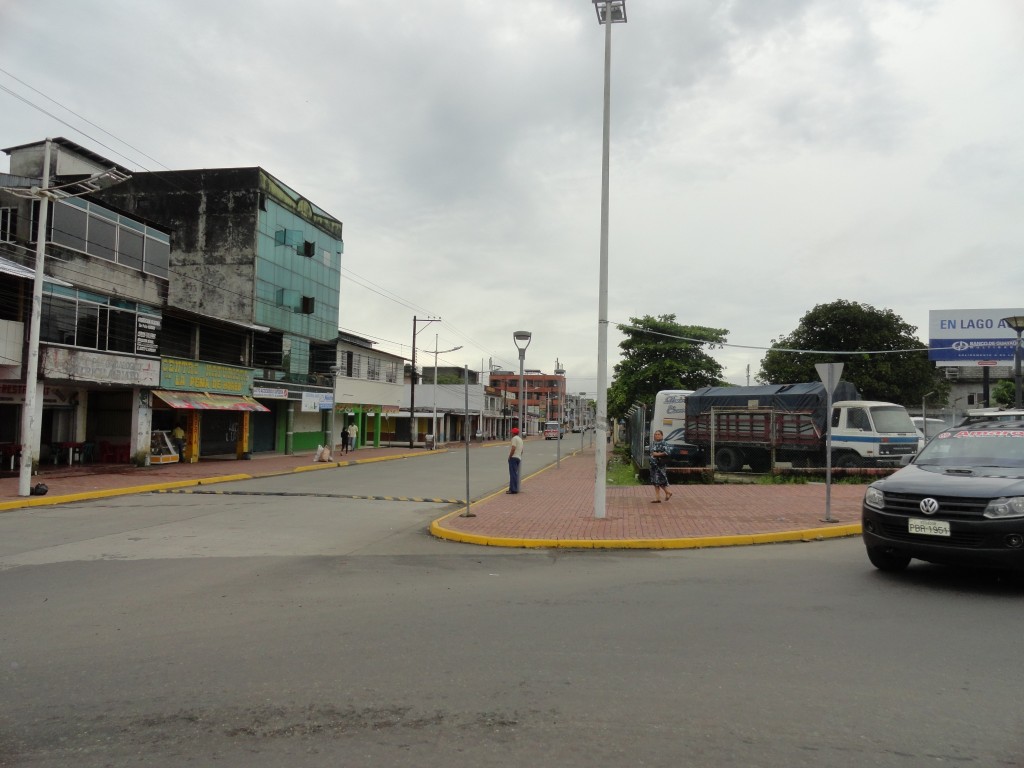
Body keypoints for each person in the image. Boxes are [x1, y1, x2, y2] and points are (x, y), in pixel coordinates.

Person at [648, 429, 673, 503]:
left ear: (662, 435)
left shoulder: (664, 443)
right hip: (653, 465)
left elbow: (668, 452)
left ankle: (668, 492)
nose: (657, 435)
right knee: (655, 481)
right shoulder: (653, 443)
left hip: (660, 465)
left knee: (660, 480)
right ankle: (659, 497)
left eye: (658, 434)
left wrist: (657, 454)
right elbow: (651, 452)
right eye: (656, 434)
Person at [507, 427, 524, 494]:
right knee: (514, 473)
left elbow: (513, 448)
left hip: (513, 458)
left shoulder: (514, 439)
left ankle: (513, 489)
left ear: (514, 433)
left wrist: (510, 456)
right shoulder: (520, 439)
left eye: (512, 432)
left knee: (513, 474)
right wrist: (519, 455)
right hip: (518, 457)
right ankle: (512, 488)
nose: (511, 433)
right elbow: (522, 450)